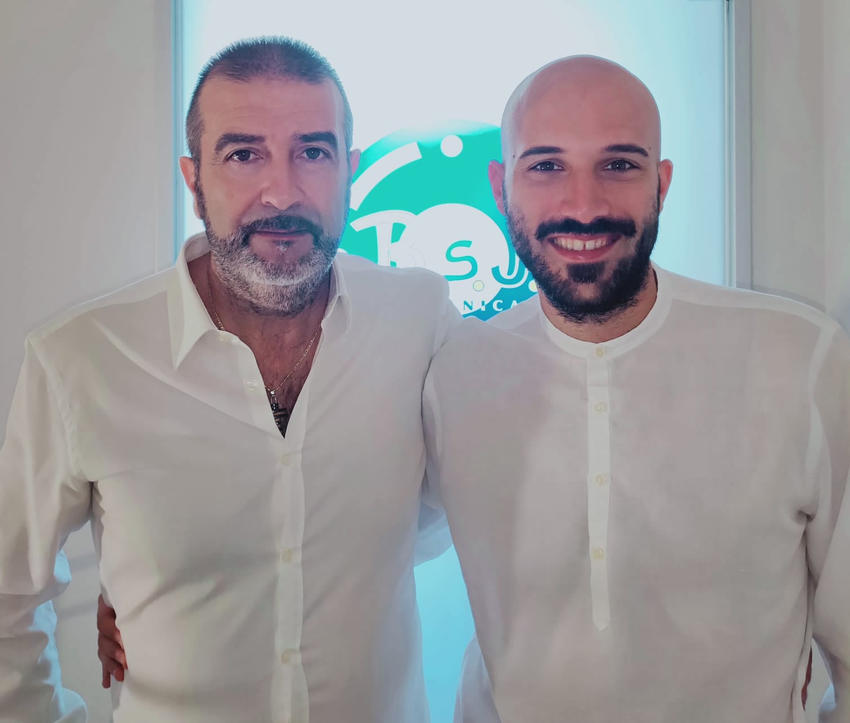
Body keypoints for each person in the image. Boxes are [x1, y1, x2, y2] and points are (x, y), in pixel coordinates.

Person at [0, 37, 455, 722]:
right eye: (243, 155)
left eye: (313, 152)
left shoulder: (421, 318)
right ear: (193, 181)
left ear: (350, 172)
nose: (282, 192)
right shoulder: (81, 359)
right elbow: (8, 597)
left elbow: (454, 511)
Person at [422, 56, 849, 722]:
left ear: (662, 184)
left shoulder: (800, 358)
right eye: (547, 166)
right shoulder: (452, 372)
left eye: (619, 164)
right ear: (501, 189)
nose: (584, 205)